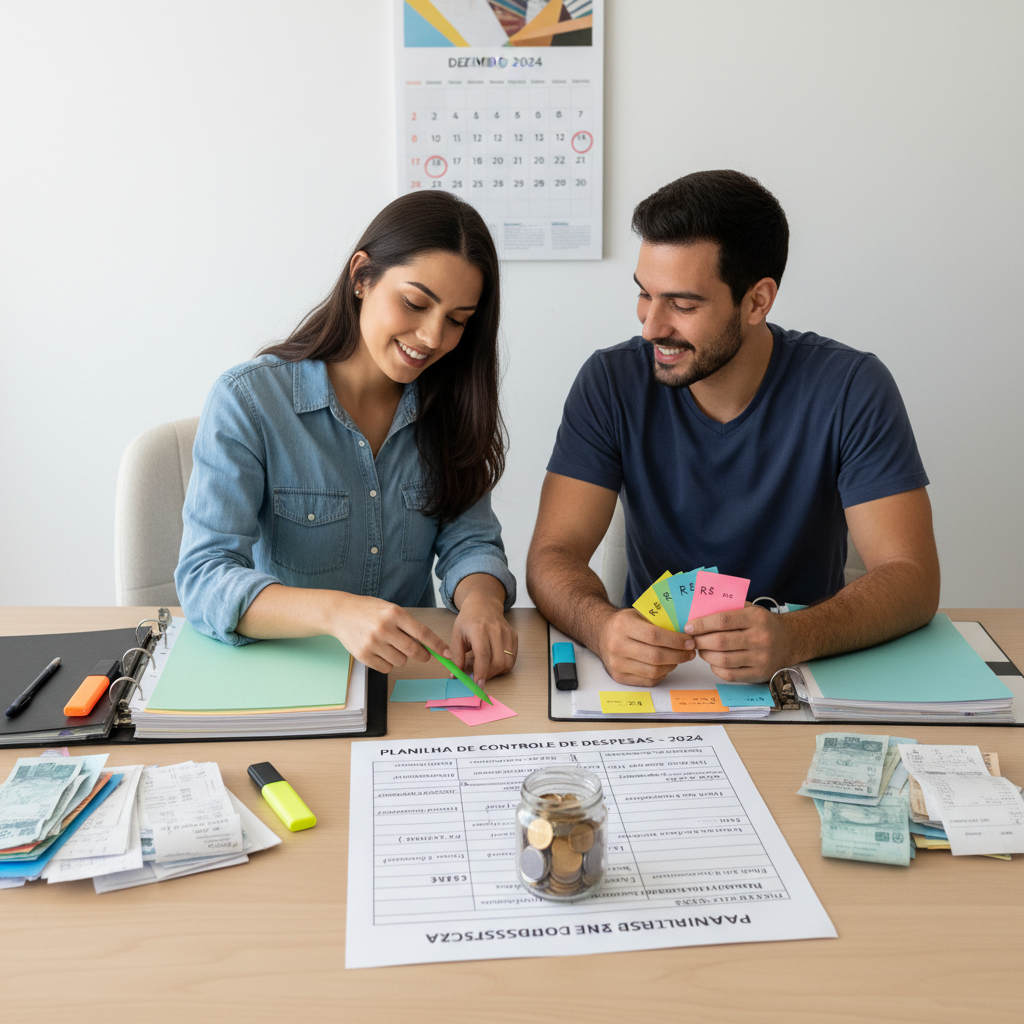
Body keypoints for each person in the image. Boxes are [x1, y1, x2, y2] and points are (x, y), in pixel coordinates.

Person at [527, 170, 939, 687]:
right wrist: (603, 625)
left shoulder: (852, 386)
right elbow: (552, 555)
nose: (651, 326)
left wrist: (794, 636)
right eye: (644, 294)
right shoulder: (610, 381)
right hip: (658, 681)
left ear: (757, 301)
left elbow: (913, 578)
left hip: (802, 676)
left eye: (682, 304)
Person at [176, 191, 518, 684]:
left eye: (457, 321)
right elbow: (205, 576)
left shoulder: (450, 406)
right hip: (285, 675)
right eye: (415, 303)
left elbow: (472, 541)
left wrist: (483, 603)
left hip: (406, 680)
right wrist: (336, 613)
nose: (431, 337)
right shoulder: (248, 400)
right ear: (362, 276)